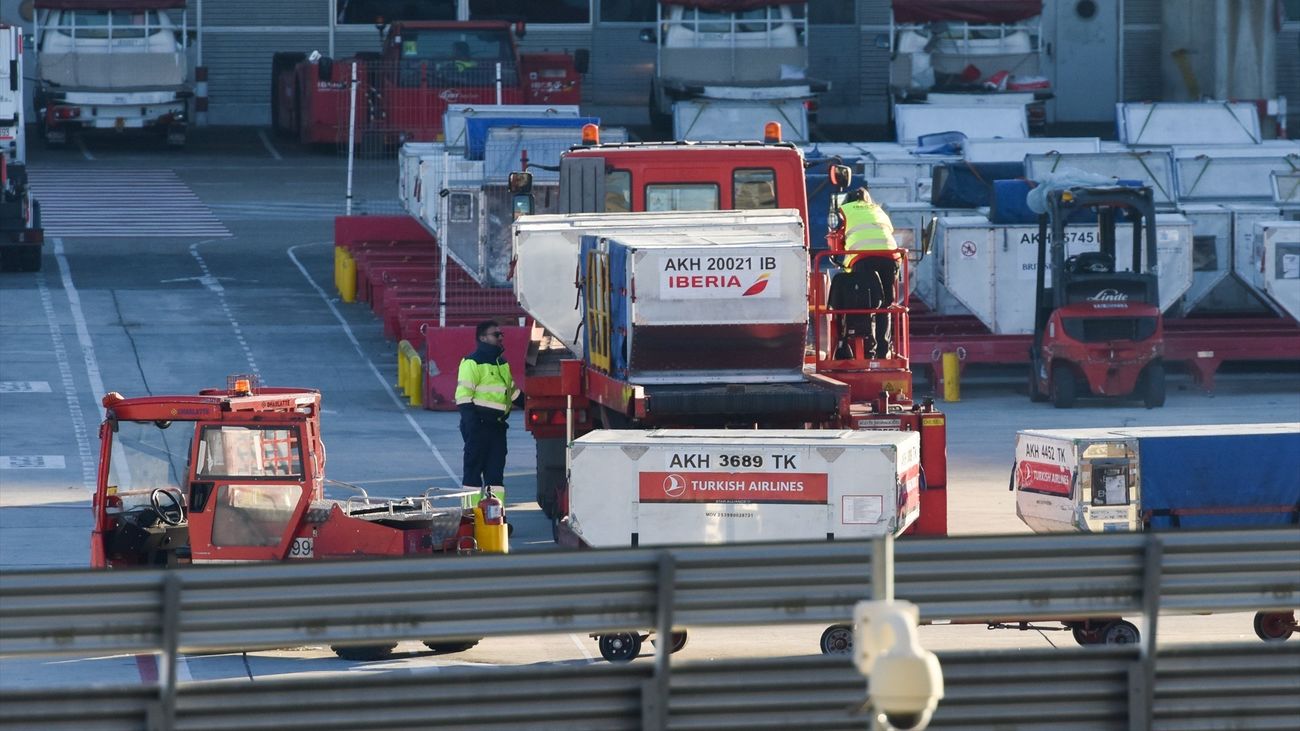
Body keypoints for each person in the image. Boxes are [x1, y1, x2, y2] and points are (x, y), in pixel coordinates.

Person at [455, 320, 522, 501]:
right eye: (496, 334)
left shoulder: (502, 363)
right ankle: (470, 518)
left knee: (495, 477)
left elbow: (513, 393)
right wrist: (473, 428)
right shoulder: (471, 363)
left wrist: (531, 403)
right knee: (473, 474)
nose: (500, 338)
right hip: (478, 426)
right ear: (483, 338)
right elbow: (463, 397)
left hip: (498, 428)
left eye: (501, 334)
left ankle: (494, 521)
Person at [837, 186, 899, 359]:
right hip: (889, 257)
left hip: (863, 258)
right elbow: (888, 232)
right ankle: (882, 350)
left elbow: (837, 236)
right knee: (884, 306)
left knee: (863, 304)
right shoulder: (879, 210)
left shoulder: (845, 210)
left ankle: (866, 349)